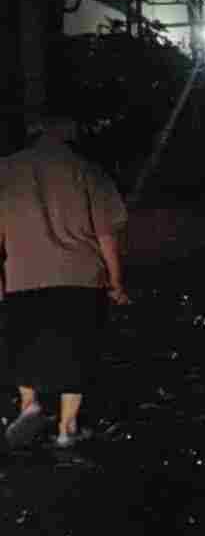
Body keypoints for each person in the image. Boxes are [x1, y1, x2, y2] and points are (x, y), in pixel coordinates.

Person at [1, 115, 130, 450]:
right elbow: (106, 235)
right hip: (80, 276)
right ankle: (66, 427)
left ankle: (29, 404)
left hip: (21, 274)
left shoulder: (6, 170)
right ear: (67, 134)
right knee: (78, 350)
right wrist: (116, 281)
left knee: (23, 344)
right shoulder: (88, 170)